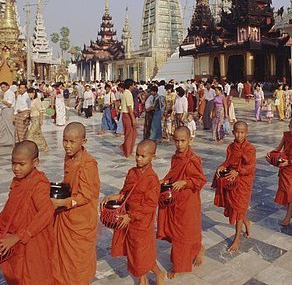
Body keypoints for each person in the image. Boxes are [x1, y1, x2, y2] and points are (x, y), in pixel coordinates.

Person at [0, 141, 55, 284]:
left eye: (21, 164)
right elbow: (11, 206)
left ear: (35, 162)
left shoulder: (39, 184)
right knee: (17, 274)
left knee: (34, 277)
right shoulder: (18, 180)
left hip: (33, 238)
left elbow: (46, 211)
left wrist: (20, 236)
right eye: (13, 163)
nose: (16, 168)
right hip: (17, 237)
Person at [105, 140, 166, 284]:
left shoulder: (152, 179)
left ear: (153, 157)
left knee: (142, 253)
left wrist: (131, 216)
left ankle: (159, 273)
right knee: (133, 252)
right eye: (137, 155)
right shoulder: (132, 172)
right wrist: (113, 197)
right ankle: (142, 279)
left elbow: (150, 206)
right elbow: (126, 193)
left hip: (142, 221)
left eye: (143, 156)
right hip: (129, 219)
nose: (138, 159)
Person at [51, 122, 100, 284]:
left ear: (83, 142)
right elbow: (70, 183)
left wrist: (63, 202)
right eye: (65, 141)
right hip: (68, 214)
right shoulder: (69, 157)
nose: (67, 146)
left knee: (78, 260)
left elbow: (86, 196)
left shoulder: (88, 165)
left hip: (82, 218)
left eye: (72, 142)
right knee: (62, 257)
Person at [157, 127, 207, 279]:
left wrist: (185, 182)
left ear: (190, 140)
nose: (179, 144)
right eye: (177, 141)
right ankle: (198, 248)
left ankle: (179, 266)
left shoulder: (193, 159)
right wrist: (166, 180)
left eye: (183, 141)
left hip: (189, 201)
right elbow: (173, 173)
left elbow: (200, 180)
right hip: (176, 200)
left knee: (183, 233)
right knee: (181, 231)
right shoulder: (175, 157)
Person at [212, 121, 256, 252]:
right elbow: (228, 161)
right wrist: (222, 166)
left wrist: (238, 171)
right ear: (233, 132)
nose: (239, 135)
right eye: (237, 132)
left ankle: (236, 239)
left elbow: (251, 166)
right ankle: (246, 222)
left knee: (239, 208)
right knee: (235, 207)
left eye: (242, 132)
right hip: (232, 180)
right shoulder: (231, 147)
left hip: (243, 180)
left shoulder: (250, 149)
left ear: (246, 133)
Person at [267, 118, 292, 226]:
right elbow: (279, 148)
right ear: (289, 126)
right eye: (291, 127)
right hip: (284, 167)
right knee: (287, 189)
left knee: (291, 191)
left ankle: (288, 215)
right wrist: (271, 155)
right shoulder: (286, 136)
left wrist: (289, 162)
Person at [119, 79, 137, 158]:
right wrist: (133, 118)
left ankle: (126, 148)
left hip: (125, 115)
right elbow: (129, 107)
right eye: (133, 85)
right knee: (130, 134)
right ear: (130, 86)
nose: (134, 87)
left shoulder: (125, 93)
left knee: (129, 133)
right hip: (127, 115)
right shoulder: (128, 93)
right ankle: (127, 151)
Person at [27, 88, 48, 153]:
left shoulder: (37, 100)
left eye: (30, 94)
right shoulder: (32, 101)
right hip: (33, 119)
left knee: (30, 134)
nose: (29, 95)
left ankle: (30, 149)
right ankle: (45, 146)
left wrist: (41, 119)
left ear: (33, 93)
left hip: (37, 119)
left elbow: (41, 110)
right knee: (38, 134)